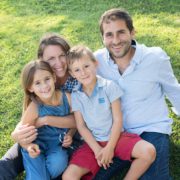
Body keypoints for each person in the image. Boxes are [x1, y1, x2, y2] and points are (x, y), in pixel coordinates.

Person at [0, 33, 128, 180]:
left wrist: (47, 119)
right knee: (9, 162)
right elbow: (30, 115)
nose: (59, 62)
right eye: (51, 59)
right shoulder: (40, 79)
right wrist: (17, 133)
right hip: (41, 137)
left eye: (62, 56)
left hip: (71, 137)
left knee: (59, 164)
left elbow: (80, 121)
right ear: (42, 60)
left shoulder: (79, 76)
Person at [93, 8, 180, 179]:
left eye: (121, 32)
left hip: (150, 128)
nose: (116, 41)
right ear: (103, 38)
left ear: (132, 32)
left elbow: (174, 90)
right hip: (116, 133)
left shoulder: (155, 58)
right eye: (109, 35)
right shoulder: (97, 62)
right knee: (88, 173)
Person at [62, 45, 156, 180]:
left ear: (95, 63)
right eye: (77, 70)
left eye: (86, 66)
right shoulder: (76, 95)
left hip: (117, 138)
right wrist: (97, 150)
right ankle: (99, 160)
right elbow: (81, 126)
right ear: (72, 74)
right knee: (68, 176)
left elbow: (118, 120)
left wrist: (110, 148)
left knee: (148, 151)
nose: (83, 72)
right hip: (93, 142)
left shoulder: (109, 86)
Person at [19, 60, 74, 179]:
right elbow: (23, 137)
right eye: (37, 83)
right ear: (30, 88)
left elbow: (76, 122)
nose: (44, 86)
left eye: (47, 79)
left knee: (60, 163)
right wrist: (29, 147)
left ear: (54, 77)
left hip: (56, 146)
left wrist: (70, 134)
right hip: (36, 146)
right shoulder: (34, 107)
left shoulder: (67, 98)